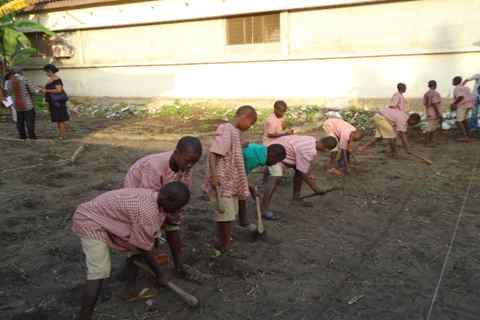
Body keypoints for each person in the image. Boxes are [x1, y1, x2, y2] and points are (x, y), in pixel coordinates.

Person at [72, 182, 191, 320]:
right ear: (166, 200)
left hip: (107, 216)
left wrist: (167, 218)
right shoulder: (147, 211)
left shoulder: (157, 198)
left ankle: (130, 290)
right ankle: (84, 317)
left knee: (138, 247)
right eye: (177, 208)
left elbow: (146, 239)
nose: (178, 212)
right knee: (99, 271)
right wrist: (160, 274)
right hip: (89, 220)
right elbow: (144, 247)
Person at [124, 136, 201, 268]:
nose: (190, 165)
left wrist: (174, 214)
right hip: (138, 195)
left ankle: (179, 265)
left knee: (172, 224)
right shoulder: (154, 167)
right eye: (188, 161)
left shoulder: (186, 167)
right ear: (176, 153)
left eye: (194, 162)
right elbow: (148, 201)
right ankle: (140, 259)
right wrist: (165, 215)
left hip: (164, 195)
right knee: (149, 228)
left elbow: (183, 192)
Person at [205, 105, 257, 253]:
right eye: (251, 123)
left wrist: (240, 145)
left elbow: (227, 149)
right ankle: (225, 243)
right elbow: (214, 153)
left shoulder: (233, 131)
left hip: (230, 180)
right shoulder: (227, 130)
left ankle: (223, 239)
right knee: (225, 213)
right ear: (245, 117)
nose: (249, 127)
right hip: (222, 180)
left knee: (228, 212)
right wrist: (214, 176)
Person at [262, 135, 337, 212]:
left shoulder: (311, 139)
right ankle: (264, 209)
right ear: (326, 149)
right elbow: (302, 172)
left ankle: (296, 198)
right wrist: (316, 189)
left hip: (276, 147)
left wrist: (309, 175)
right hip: (274, 153)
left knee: (298, 172)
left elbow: (303, 167)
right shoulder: (310, 151)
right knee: (275, 177)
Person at [237, 143, 286, 227]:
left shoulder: (260, 150)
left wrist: (250, 187)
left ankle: (242, 220)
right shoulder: (253, 158)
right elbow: (239, 175)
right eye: (276, 161)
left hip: (233, 167)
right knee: (242, 193)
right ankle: (243, 221)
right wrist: (250, 188)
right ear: (272, 155)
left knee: (243, 190)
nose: (275, 164)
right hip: (226, 168)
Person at [38, 64, 69, 140]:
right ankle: (61, 134)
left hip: (58, 102)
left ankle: (62, 136)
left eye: (46, 72)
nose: (46, 73)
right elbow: (50, 89)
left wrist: (46, 90)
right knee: (58, 119)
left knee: (60, 119)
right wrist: (42, 88)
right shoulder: (51, 79)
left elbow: (59, 90)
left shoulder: (56, 79)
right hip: (53, 101)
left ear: (50, 71)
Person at [5, 67, 37, 140]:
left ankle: (22, 137)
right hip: (28, 104)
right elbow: (33, 90)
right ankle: (32, 137)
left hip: (16, 105)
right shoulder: (25, 80)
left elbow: (8, 93)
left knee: (20, 122)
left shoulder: (9, 82)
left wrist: (10, 104)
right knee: (30, 122)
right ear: (21, 73)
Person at [451, 76, 474, 142]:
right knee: (464, 120)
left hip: (462, 106)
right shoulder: (466, 87)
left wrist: (454, 104)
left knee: (458, 121)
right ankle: (468, 134)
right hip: (469, 105)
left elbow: (460, 97)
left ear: (456, 81)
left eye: (453, 80)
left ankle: (465, 137)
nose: (452, 82)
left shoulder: (457, 88)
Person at [422, 80, 443, 145]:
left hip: (428, 112)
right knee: (431, 128)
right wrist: (438, 113)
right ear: (435, 85)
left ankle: (431, 141)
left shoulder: (426, 93)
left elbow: (425, 103)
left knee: (432, 128)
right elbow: (435, 104)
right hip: (434, 113)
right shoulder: (435, 93)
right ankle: (427, 142)